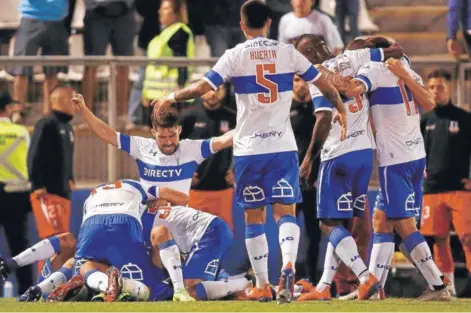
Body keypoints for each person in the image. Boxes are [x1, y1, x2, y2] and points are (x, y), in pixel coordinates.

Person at [150, 0, 346, 303]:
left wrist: (171, 96)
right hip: (282, 147)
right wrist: (341, 109)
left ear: (242, 26)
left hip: (249, 149)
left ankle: (264, 284)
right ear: (269, 22)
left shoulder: (235, 55)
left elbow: (203, 87)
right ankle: (290, 265)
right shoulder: (288, 52)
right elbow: (325, 83)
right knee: (285, 213)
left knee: (254, 218)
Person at [345, 43, 452, 300]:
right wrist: (403, 74)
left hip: (395, 159)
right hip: (415, 157)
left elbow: (352, 89)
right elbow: (428, 101)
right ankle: (372, 289)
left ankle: (438, 285)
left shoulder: (372, 69)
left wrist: (323, 75)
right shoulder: (406, 70)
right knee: (382, 220)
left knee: (404, 224)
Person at [295, 34, 395, 301]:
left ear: (312, 53)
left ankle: (365, 277)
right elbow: (394, 51)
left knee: (328, 223)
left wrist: (308, 159)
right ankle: (324, 286)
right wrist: (376, 39)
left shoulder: (316, 76)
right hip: (364, 154)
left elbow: (324, 120)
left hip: (338, 155)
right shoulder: (354, 57)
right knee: (341, 223)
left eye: (302, 55)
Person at [71, 94, 234, 196]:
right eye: (162, 137)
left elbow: (225, 139)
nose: (168, 141)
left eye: (172, 135)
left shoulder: (191, 148)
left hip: (179, 220)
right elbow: (107, 134)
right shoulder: (142, 146)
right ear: (153, 133)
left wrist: (256, 121)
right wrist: (85, 111)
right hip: (149, 219)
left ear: (179, 130)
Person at [420, 69, 471, 297]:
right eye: (431, 87)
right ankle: (446, 287)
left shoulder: (464, 118)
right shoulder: (425, 120)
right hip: (432, 190)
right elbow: (418, 151)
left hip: (460, 189)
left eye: (440, 87)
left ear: (449, 88)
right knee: (438, 240)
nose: (435, 91)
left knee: (468, 238)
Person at [142, 203, 251, 301]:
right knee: (193, 281)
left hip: (208, 233)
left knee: (189, 292)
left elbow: (160, 236)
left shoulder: (138, 226)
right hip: (212, 228)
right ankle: (235, 282)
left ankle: (244, 282)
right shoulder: (146, 216)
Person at [179, 84, 237, 229]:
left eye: (218, 89)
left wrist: (236, 170)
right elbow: (172, 148)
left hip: (223, 189)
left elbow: (245, 147)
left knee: (222, 236)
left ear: (224, 91)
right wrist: (184, 172)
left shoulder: (233, 117)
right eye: (209, 89)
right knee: (192, 235)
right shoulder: (188, 117)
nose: (213, 93)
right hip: (194, 190)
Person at [27, 85, 75, 242]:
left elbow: (66, 157)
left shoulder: (68, 127)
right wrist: (37, 184)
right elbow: (33, 155)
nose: (75, 103)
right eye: (71, 99)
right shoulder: (46, 124)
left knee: (62, 239)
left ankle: (57, 268)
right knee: (51, 240)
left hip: (63, 192)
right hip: (47, 193)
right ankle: (46, 268)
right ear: (61, 100)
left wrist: (70, 177)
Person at [8, 0, 70, 119]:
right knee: (21, 69)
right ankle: (17, 111)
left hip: (58, 19)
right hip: (30, 17)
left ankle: (49, 114)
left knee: (52, 71)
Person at [289, 75, 321, 284]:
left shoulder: (320, 108)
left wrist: (319, 174)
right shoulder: (283, 108)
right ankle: (287, 277)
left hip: (313, 180)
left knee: (313, 233)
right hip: (289, 180)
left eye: (304, 80)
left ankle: (312, 280)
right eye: (296, 80)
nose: (301, 85)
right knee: (288, 229)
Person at [0, 90, 33, 294]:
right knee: (20, 248)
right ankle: (26, 291)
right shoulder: (21, 132)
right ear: (8, 108)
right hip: (16, 194)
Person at [81, 0, 135, 115]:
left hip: (124, 12)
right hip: (96, 13)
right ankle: (86, 116)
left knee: (124, 65)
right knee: (91, 65)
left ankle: (122, 117)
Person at [142, 0, 195, 110]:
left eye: (165, 8)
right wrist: (145, 93)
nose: (160, 11)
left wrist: (179, 94)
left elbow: (182, 64)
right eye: (161, 8)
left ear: (176, 13)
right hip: (155, 95)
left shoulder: (179, 32)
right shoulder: (165, 33)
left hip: (171, 97)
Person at [0, 232, 76, 301]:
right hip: (54, 289)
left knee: (78, 261)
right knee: (67, 240)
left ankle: (37, 290)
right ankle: (14, 262)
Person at [278, 0, 344, 55]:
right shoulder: (285, 20)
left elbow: (337, 47)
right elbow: (282, 48)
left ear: (312, 1)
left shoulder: (323, 19)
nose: (300, 2)